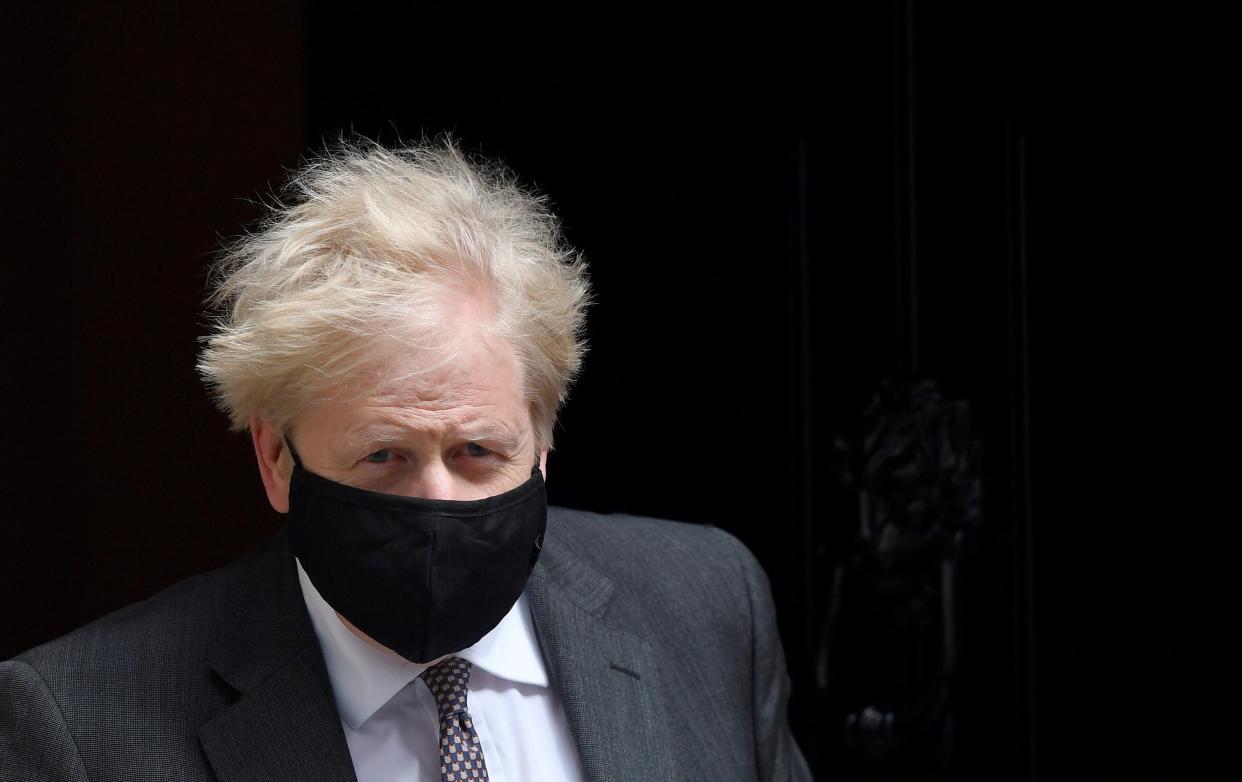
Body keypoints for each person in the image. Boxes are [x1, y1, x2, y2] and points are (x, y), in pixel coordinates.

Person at [0, 140, 811, 781]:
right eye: (383, 455)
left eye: (478, 452)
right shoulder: (77, 728)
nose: (437, 501)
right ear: (275, 459)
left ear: (543, 440)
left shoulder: (705, 609)